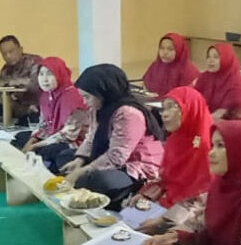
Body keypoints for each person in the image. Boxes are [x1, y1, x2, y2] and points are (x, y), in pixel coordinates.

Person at [60, 64, 165, 209]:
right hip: (112, 158)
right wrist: (80, 160)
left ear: (104, 92)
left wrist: (82, 171)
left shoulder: (128, 113)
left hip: (134, 166)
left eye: (87, 97)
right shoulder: (98, 108)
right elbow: (91, 137)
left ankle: (121, 199)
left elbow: (117, 156)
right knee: (65, 157)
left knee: (97, 180)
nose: (84, 102)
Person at [129, 86, 212, 234]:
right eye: (163, 109)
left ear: (190, 108)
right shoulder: (175, 140)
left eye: (171, 107)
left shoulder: (206, 146)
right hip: (168, 202)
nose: (164, 115)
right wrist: (146, 195)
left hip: (190, 215)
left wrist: (163, 221)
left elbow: (203, 198)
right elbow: (165, 179)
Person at [15, 57, 89, 173]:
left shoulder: (73, 98)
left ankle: (47, 169)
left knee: (48, 150)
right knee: (20, 137)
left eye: (50, 74)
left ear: (59, 74)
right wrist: (33, 139)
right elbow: (44, 124)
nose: (44, 79)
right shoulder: (46, 95)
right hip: (53, 135)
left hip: (76, 141)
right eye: (41, 74)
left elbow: (68, 135)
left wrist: (36, 145)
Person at [0, 35, 42, 123]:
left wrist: (12, 82)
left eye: (11, 51)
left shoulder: (35, 61)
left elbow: (37, 83)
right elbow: (3, 96)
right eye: (4, 54)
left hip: (40, 109)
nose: (8, 56)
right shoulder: (5, 70)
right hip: (20, 111)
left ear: (20, 49)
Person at [195, 43, 241, 121]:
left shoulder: (236, 83)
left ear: (226, 58)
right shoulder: (205, 77)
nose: (210, 60)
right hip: (208, 118)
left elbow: (221, 114)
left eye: (216, 57)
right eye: (208, 57)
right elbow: (194, 100)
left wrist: (201, 122)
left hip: (231, 122)